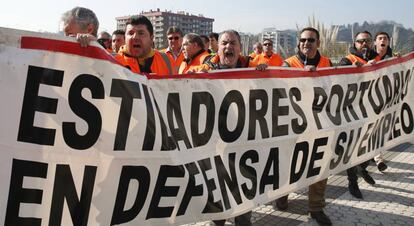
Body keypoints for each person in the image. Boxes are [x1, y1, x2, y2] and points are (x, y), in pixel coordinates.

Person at [194, 30, 252, 226]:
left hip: (244, 141)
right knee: (217, 185)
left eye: (233, 43)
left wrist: (265, 73)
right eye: (224, 43)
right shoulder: (206, 70)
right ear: (217, 47)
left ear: (240, 48)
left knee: (244, 185)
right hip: (215, 143)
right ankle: (217, 220)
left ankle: (243, 220)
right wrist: (195, 75)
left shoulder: (251, 68)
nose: (228, 47)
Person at [275, 27, 332, 226]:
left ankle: (316, 208)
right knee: (288, 163)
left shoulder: (327, 63)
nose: (306, 43)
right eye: (303, 40)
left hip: (319, 124)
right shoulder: (288, 63)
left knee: (319, 164)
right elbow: (278, 88)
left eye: (311, 40)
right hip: (293, 125)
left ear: (318, 43)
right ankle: (282, 194)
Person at [339, 30, 381, 199]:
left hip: (373, 110)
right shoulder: (348, 60)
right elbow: (337, 78)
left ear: (371, 43)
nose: (364, 44)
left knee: (371, 144)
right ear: (354, 43)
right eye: (360, 41)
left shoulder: (377, 59)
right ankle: (352, 181)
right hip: (353, 112)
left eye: (367, 41)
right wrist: (352, 70)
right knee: (353, 147)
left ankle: (362, 168)